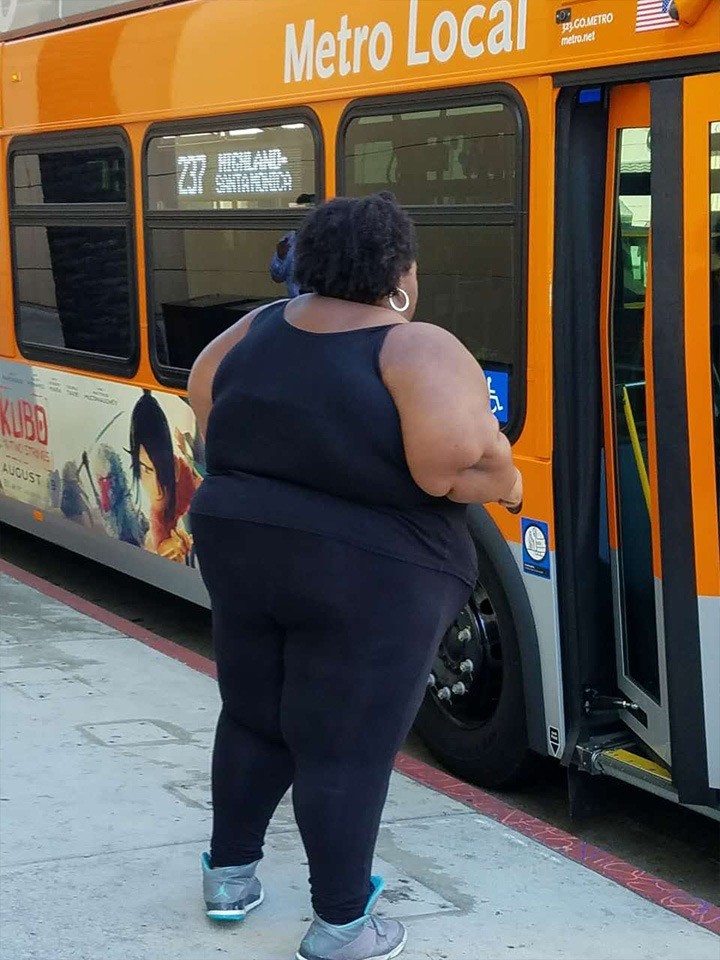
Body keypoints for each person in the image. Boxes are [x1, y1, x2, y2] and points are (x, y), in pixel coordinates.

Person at [188, 192, 522, 960]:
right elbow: (449, 470)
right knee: (343, 746)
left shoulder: (255, 327)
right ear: (399, 273)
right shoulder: (417, 348)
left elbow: (205, 399)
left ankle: (229, 878)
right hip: (369, 576)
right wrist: (507, 481)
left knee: (253, 715)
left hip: (240, 549)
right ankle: (343, 924)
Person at [128, 391, 200, 563]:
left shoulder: (186, 475)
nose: (157, 488)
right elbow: (160, 544)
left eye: (160, 469)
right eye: (146, 470)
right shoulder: (156, 517)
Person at [269, 194, 316, 297]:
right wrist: (280, 258)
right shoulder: (289, 240)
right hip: (296, 301)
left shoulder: (327, 239)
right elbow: (277, 277)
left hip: (322, 302)